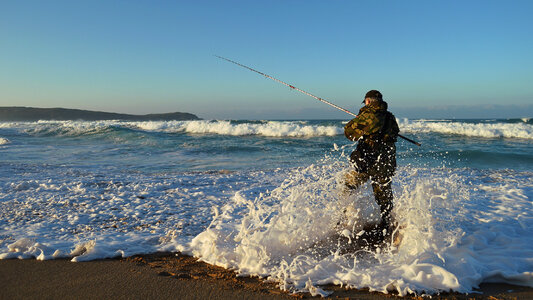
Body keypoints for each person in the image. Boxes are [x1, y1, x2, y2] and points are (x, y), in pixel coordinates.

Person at [343, 90, 400, 241]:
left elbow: (349, 133)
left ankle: (343, 220)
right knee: (384, 196)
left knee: (347, 187)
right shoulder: (390, 117)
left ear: (368, 101)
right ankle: (386, 226)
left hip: (368, 160)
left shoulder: (369, 115)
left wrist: (359, 119)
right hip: (386, 162)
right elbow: (394, 133)